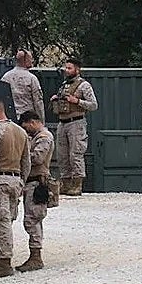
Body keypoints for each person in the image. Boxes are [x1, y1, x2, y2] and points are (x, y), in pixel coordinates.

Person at [0, 96, 30, 279]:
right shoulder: (21, 132)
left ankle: (4, 261)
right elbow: (26, 162)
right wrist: (21, 181)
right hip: (15, 179)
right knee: (7, 221)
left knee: (0, 221)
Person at [49, 58, 98, 196]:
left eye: (70, 68)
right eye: (66, 68)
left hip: (76, 122)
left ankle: (77, 185)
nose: (67, 70)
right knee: (62, 155)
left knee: (75, 154)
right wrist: (56, 99)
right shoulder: (64, 85)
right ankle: (65, 184)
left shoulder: (84, 86)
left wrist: (77, 101)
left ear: (77, 69)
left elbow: (94, 105)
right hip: (62, 122)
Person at [17, 111, 55, 271]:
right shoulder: (36, 137)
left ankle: (36, 256)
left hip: (37, 183)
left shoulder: (44, 137)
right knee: (32, 219)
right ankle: (34, 255)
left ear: (32, 122)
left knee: (33, 219)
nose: (26, 130)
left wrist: (20, 156)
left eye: (26, 126)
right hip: (31, 182)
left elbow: (38, 158)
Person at [1, 50, 45, 120]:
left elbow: (1, 98)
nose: (32, 61)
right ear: (26, 60)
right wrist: (41, 121)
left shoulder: (6, 77)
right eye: (31, 58)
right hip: (28, 120)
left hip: (10, 119)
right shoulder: (32, 78)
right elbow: (38, 102)